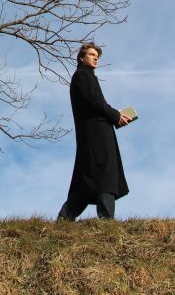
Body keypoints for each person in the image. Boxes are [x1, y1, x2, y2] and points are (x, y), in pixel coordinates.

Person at [57, 42, 130, 220]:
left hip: (96, 132)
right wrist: (115, 115)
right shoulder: (82, 75)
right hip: (95, 134)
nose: (95, 57)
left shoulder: (86, 76)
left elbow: (97, 102)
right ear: (82, 58)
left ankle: (65, 218)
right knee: (103, 172)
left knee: (88, 177)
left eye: (97, 55)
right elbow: (95, 101)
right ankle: (106, 219)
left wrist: (116, 115)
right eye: (91, 54)